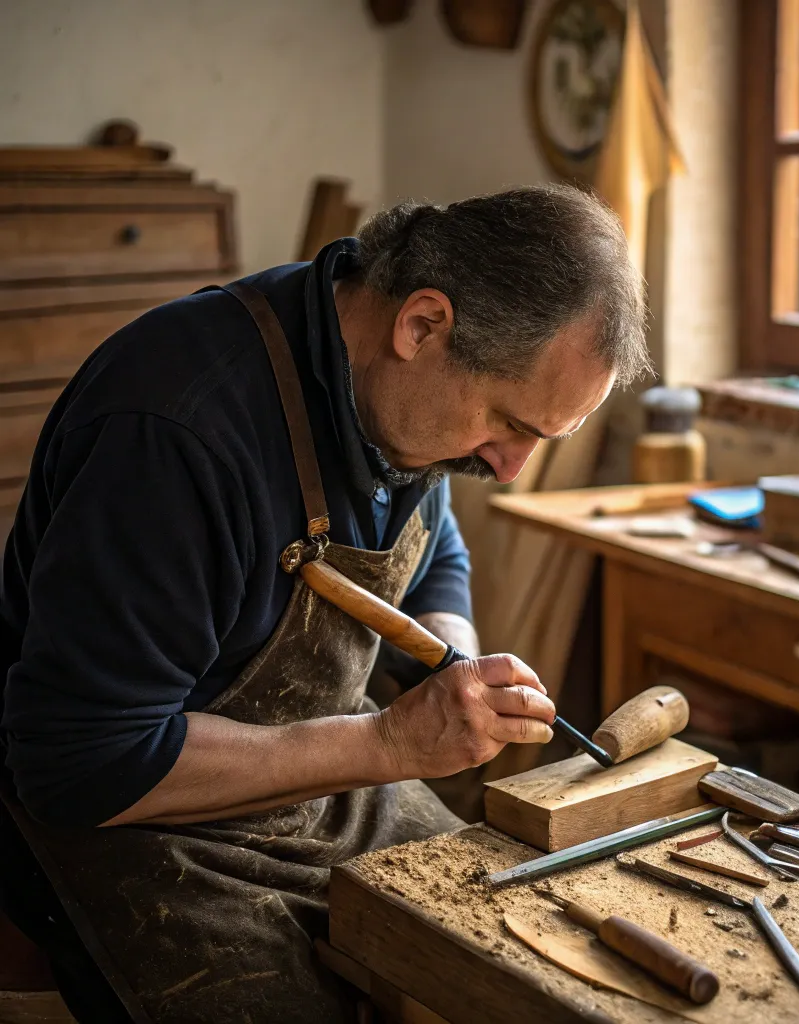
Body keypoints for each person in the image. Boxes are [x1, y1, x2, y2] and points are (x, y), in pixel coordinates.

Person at [0, 184, 649, 1022]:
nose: (511, 465)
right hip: (134, 818)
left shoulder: (395, 394)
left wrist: (448, 650)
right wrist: (386, 741)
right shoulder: (175, 428)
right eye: (508, 424)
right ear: (423, 325)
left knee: (500, 957)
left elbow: (433, 545)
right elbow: (82, 763)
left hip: (324, 776)